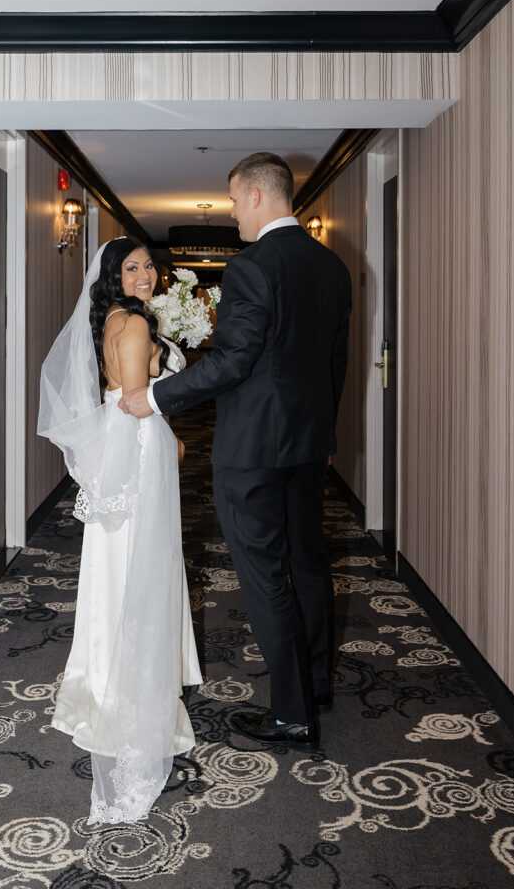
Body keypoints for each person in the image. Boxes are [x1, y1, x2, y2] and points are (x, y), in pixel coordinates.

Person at [120, 153, 352, 751]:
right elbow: (334, 364)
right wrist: (323, 436)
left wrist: (158, 397)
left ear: (254, 196)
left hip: (253, 450)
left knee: (265, 575)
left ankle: (293, 714)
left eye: (231, 200)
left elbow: (234, 361)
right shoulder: (332, 267)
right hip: (307, 446)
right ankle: (315, 684)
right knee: (306, 562)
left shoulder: (253, 267)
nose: (229, 213)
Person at [38, 237, 202, 825]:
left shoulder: (112, 318)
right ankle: (130, 699)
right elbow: (135, 400)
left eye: (149, 266)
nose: (146, 275)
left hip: (126, 449)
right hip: (137, 451)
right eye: (131, 268)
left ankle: (109, 686)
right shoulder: (132, 324)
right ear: (113, 275)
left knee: (122, 567)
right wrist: (172, 432)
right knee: (141, 567)